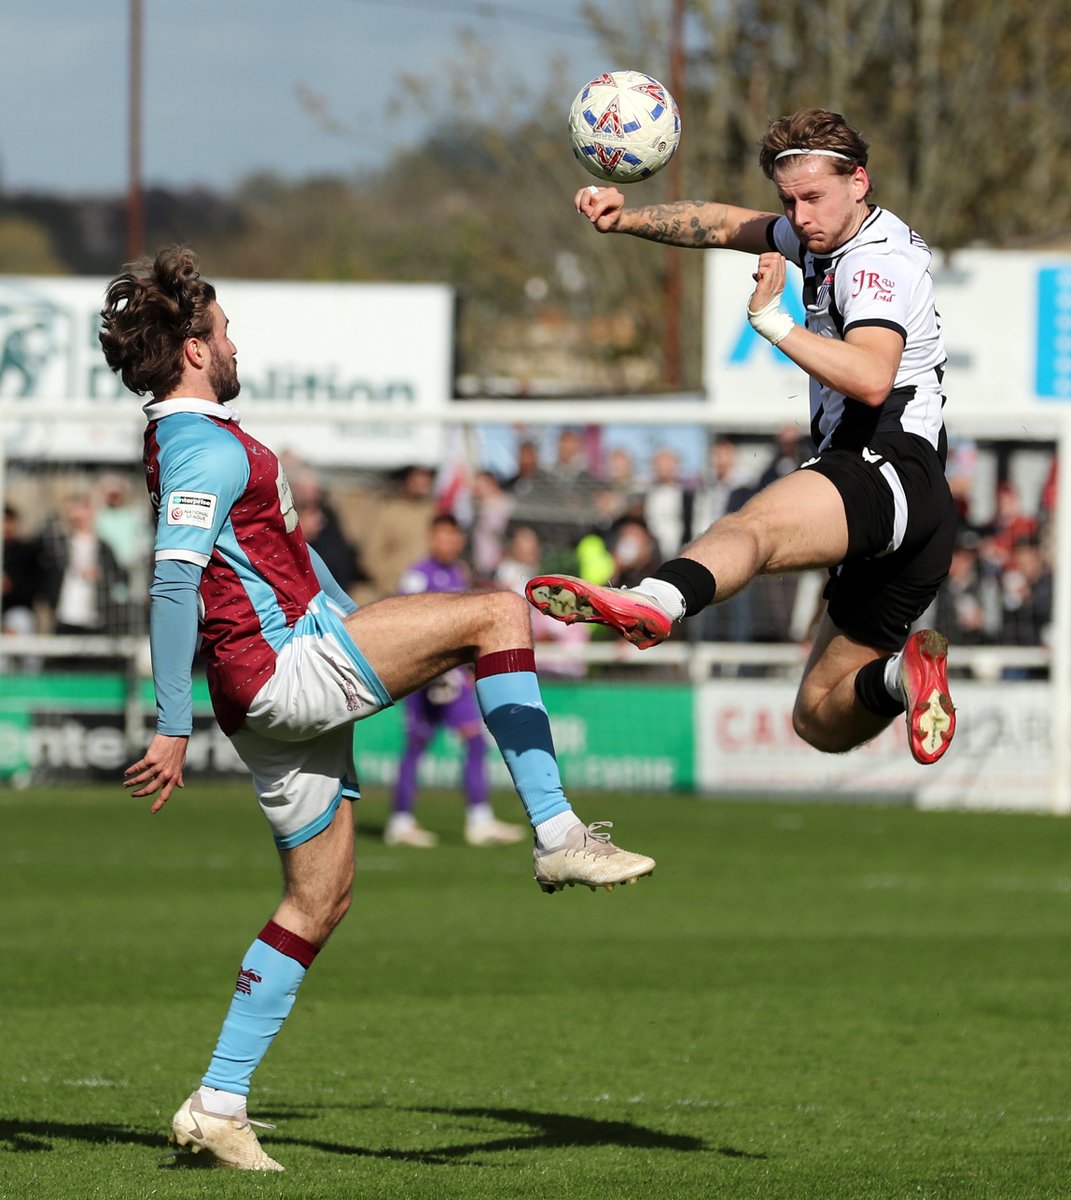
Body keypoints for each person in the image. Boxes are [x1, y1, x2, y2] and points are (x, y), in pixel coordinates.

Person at [98, 247, 654, 1172]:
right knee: (498, 610)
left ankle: (218, 1101)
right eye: (226, 331)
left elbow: (277, 551)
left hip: (282, 680)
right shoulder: (197, 443)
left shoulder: (197, 439)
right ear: (195, 350)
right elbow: (170, 583)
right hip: (279, 673)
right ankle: (555, 830)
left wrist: (360, 626)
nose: (236, 344)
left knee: (319, 898)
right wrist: (168, 719)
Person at [527, 107, 957, 767]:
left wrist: (773, 323)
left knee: (750, 528)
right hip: (915, 510)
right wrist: (626, 217)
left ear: (859, 182)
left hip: (885, 464)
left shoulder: (876, 264)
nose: (800, 214)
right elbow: (726, 224)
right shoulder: (822, 236)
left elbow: (872, 377)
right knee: (819, 716)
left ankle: (652, 601)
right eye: (789, 201)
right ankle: (903, 677)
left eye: (813, 197)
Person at [385, 513, 525, 849]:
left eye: (454, 536)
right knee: (416, 745)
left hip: (452, 678)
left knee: (475, 741)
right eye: (443, 535)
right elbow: (405, 624)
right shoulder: (418, 577)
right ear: (433, 537)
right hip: (423, 679)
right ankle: (401, 822)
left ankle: (479, 819)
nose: (448, 542)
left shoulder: (459, 575)